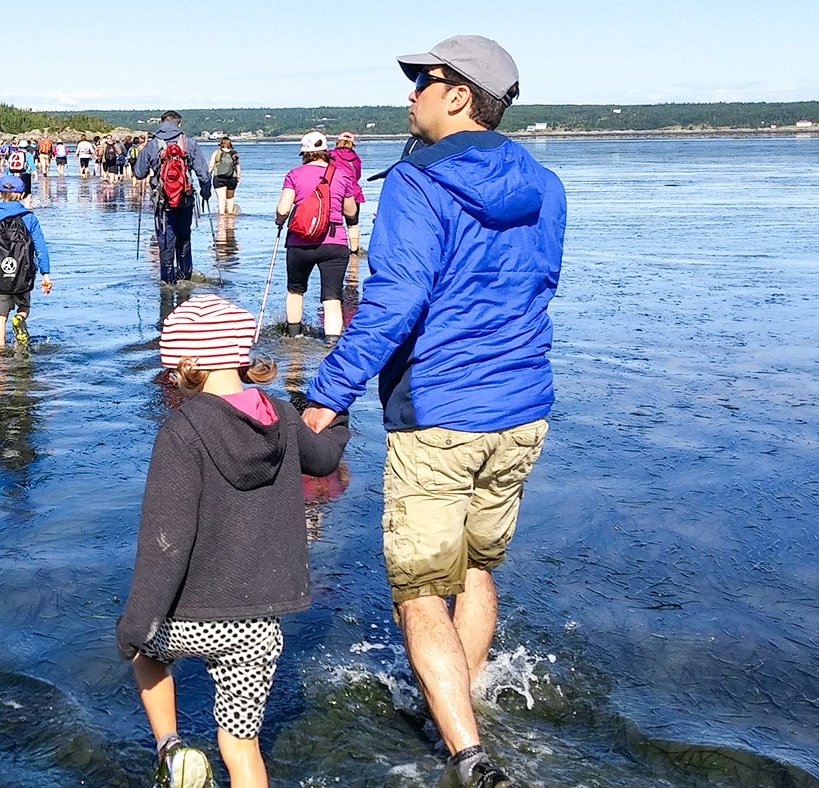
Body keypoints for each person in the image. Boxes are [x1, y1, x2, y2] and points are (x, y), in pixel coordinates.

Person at [301, 35, 563, 788]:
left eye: (422, 79)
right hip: (523, 410)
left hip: (440, 412)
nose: (409, 91)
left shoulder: (418, 185)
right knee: (476, 569)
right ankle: (463, 707)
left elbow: (393, 305)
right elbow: (540, 283)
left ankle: (467, 756)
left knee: (419, 591)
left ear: (457, 96)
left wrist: (326, 396)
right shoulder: (546, 183)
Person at [119, 294, 349, 788]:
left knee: (146, 652)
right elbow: (325, 460)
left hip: (190, 618)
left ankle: (172, 749)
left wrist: (137, 623)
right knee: (241, 746)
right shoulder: (284, 416)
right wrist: (338, 417)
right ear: (243, 356)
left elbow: (165, 542)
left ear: (184, 366)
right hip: (255, 627)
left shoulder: (182, 431)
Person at [275, 131, 359, 342]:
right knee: (332, 296)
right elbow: (351, 212)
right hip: (334, 242)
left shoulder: (294, 174)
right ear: (325, 152)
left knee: (295, 290)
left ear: (304, 153)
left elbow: (283, 209)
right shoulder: (341, 175)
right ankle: (331, 342)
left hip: (299, 242)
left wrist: (279, 221)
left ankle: (294, 337)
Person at [133, 111, 212, 284]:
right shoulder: (189, 143)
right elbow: (204, 175)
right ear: (179, 125)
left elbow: (139, 173)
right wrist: (206, 193)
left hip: (162, 201)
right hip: (185, 200)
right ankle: (185, 278)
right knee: (184, 237)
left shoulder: (153, 145)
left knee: (165, 239)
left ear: (161, 124)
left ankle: (167, 282)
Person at [0, 174, 52, 348]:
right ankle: (20, 319)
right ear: (23, 194)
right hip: (22, 274)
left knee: (0, 317)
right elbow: (40, 247)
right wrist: (45, 274)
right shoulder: (29, 218)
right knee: (24, 307)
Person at [331, 132, 367, 254]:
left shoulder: (330, 155)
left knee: (333, 221)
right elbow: (357, 176)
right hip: (353, 192)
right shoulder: (356, 159)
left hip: (335, 192)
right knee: (353, 223)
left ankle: (334, 246)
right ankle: (354, 250)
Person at [208, 137, 241, 216]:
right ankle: (230, 220)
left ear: (221, 143)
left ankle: (221, 220)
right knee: (230, 198)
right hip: (231, 178)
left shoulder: (216, 153)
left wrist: (207, 176)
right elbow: (238, 167)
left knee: (221, 200)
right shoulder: (234, 153)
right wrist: (238, 177)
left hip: (219, 178)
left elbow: (211, 166)